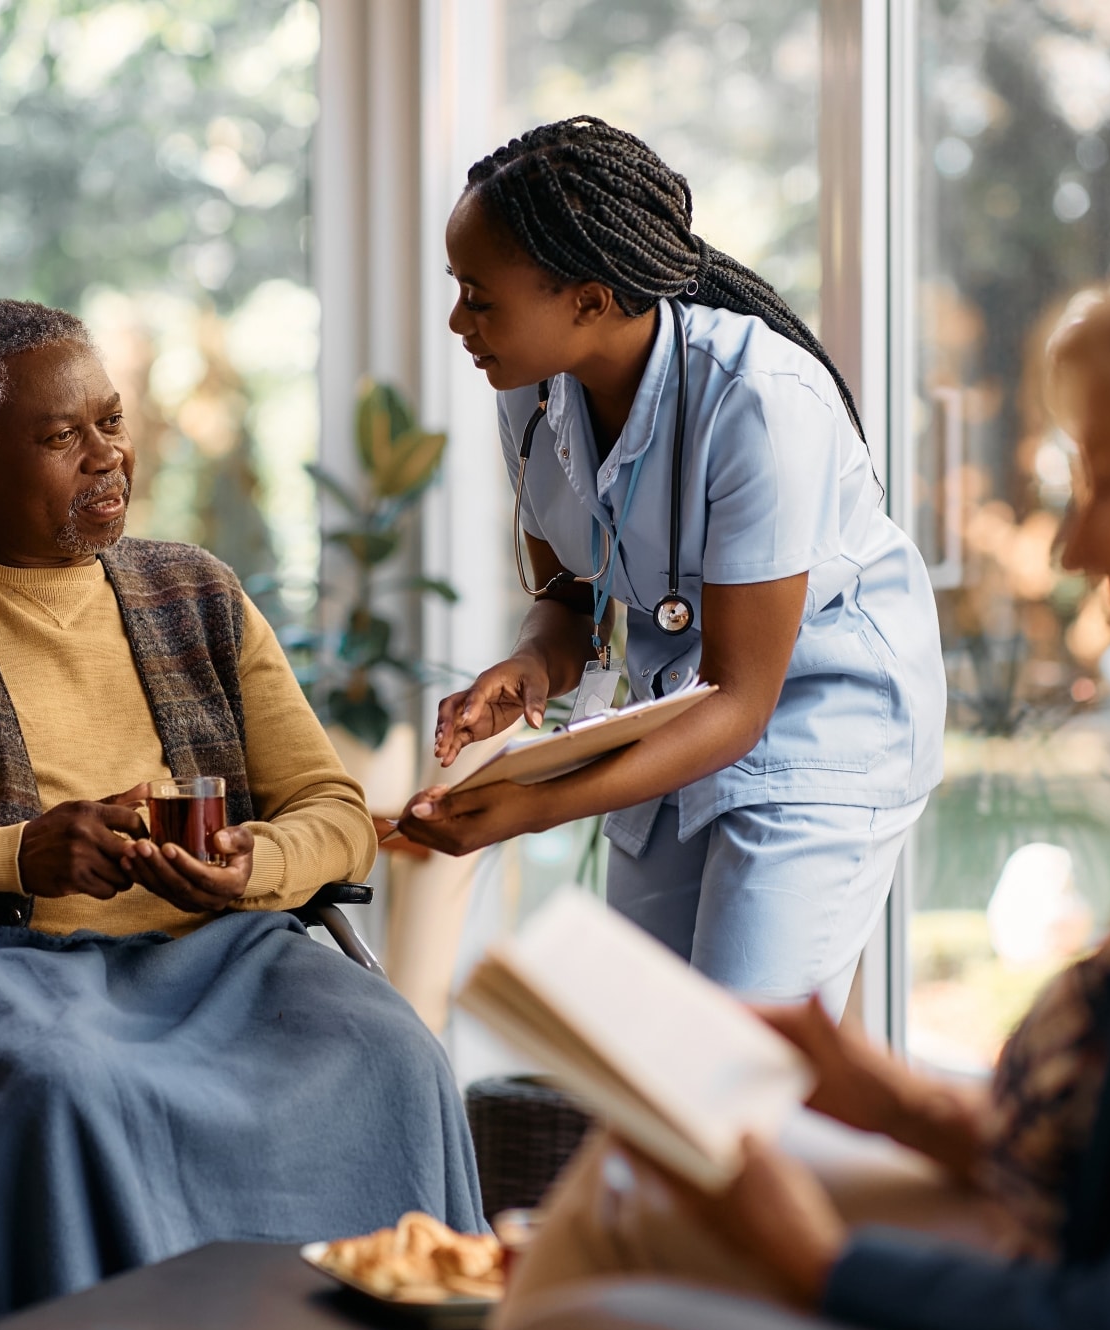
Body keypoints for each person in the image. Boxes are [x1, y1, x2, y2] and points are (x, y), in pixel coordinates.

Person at [485, 208, 1110, 1330]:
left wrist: (814, 1261)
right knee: (627, 1183)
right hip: (1035, 1219)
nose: (1075, 544)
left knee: (604, 1251)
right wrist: (906, 1106)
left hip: (1070, 1315)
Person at [0, 300, 483, 1329]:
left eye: (110, 421)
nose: (107, 456)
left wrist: (252, 862)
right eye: (60, 436)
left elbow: (333, 811)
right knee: (70, 1087)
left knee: (395, 1054)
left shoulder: (197, 595)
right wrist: (10, 855)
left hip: (225, 956)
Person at [396, 118, 945, 1010]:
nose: (460, 321)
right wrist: (531, 664)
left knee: (732, 1075)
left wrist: (534, 806)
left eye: (480, 297)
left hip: (814, 723)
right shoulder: (531, 390)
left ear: (590, 298)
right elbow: (572, 595)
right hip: (675, 714)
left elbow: (742, 697)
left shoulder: (760, 401)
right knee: (647, 1069)